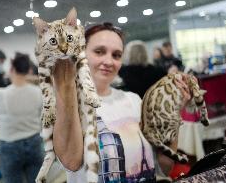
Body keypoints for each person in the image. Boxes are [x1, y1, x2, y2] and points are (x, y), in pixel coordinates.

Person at [52, 22, 191, 182]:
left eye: (116, 55)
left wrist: (173, 112)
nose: (109, 61)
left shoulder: (134, 101)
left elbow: (164, 167)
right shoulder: (69, 106)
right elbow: (71, 161)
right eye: (99, 51)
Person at [0, 52, 43, 183]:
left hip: (9, 146)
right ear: (29, 70)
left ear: (11, 70)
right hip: (34, 143)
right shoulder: (38, 93)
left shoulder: (1, 94)